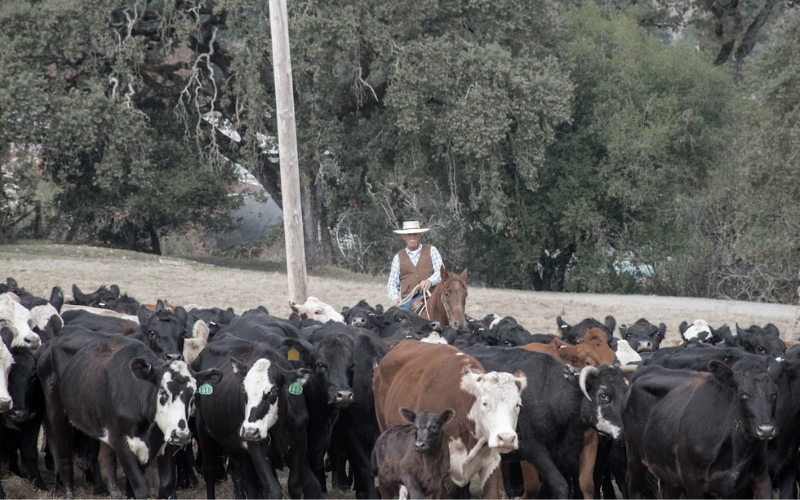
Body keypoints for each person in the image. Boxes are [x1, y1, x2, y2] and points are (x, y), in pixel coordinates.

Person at [387, 220, 444, 311]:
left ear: (419, 236)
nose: (412, 237)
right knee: (401, 319)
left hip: (431, 295)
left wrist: (430, 281)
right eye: (409, 234)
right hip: (408, 299)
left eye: (415, 234)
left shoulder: (432, 250)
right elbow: (392, 283)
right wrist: (395, 297)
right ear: (404, 237)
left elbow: (441, 273)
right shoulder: (398, 257)